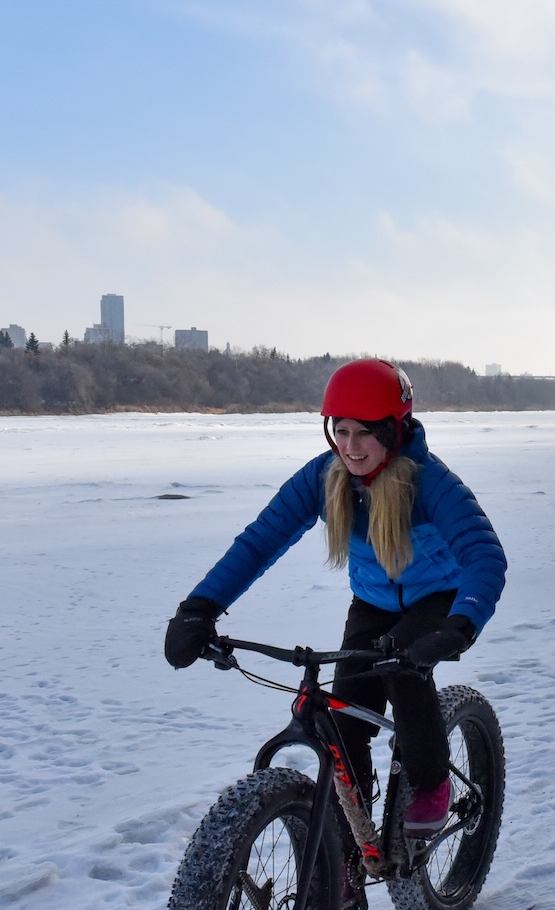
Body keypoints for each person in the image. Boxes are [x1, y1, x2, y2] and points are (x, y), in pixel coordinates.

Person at [162, 358, 506, 842]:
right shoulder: (324, 477)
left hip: (440, 599)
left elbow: (483, 554)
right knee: (343, 712)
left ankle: (431, 783)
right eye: (340, 431)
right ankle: (352, 835)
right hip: (372, 602)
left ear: (394, 430)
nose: (350, 447)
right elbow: (261, 541)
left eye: (364, 433)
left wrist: (462, 623)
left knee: (400, 666)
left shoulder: (430, 483)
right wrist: (200, 608)